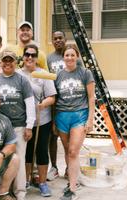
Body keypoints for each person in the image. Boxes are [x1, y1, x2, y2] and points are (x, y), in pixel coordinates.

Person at [0, 49, 36, 200]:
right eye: (5, 60)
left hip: (19, 126)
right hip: (0, 128)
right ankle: (5, 190)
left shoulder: (22, 80)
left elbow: (30, 104)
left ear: (16, 62)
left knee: (19, 159)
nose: (7, 63)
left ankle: (20, 192)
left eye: (11, 60)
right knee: (5, 160)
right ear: (0, 62)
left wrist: (29, 126)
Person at [54, 44, 95, 200]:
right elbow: (56, 98)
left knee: (73, 152)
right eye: (67, 55)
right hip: (62, 116)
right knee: (67, 152)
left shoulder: (85, 73)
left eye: (72, 55)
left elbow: (91, 98)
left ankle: (72, 188)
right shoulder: (58, 75)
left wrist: (90, 119)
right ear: (63, 57)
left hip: (79, 115)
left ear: (77, 57)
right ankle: (72, 180)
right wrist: (53, 122)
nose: (69, 58)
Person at [16, 44, 56, 197]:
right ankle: (26, 180)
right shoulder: (18, 74)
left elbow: (52, 97)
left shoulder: (44, 74)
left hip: (42, 121)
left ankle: (42, 182)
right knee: (26, 152)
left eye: (33, 55)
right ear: (23, 56)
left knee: (41, 152)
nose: (30, 58)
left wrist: (43, 103)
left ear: (37, 57)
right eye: (27, 54)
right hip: (24, 121)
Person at [47, 31, 84, 181]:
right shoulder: (49, 58)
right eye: (54, 39)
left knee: (73, 140)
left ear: (65, 39)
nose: (57, 41)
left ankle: (71, 167)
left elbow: (81, 79)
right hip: (55, 100)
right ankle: (54, 167)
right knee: (53, 136)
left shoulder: (74, 57)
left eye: (60, 38)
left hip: (72, 102)